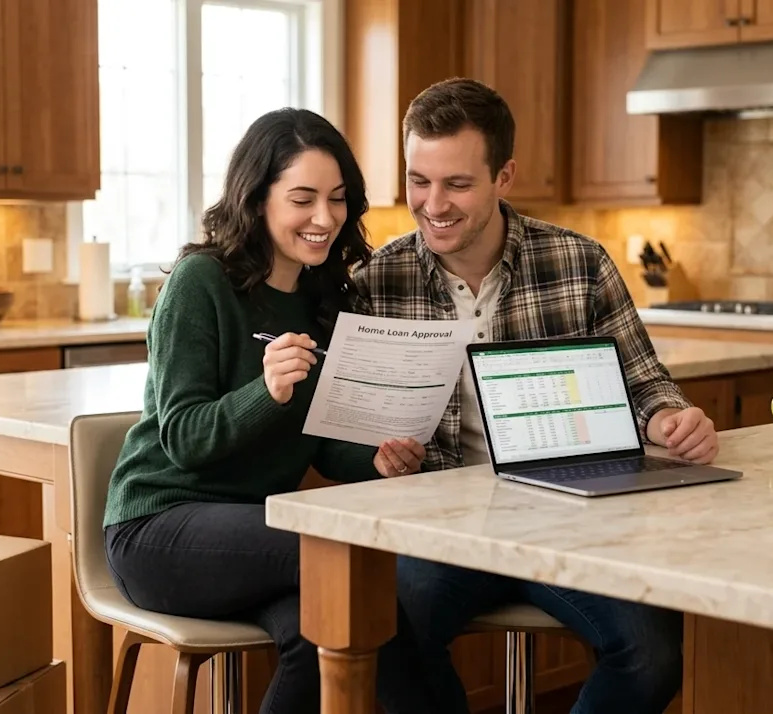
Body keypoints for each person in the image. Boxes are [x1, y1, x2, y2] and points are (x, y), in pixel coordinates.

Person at [352, 78, 720, 714]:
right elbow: (355, 422)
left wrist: (668, 418)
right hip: (439, 530)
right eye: (419, 180)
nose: (432, 203)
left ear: (505, 177)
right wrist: (377, 455)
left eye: (457, 184)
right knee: (380, 631)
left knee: (655, 653)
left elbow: (645, 381)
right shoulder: (376, 280)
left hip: (568, 519)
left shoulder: (579, 263)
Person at [102, 107, 433, 714]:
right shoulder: (201, 282)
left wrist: (378, 461)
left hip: (251, 538)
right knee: (349, 560)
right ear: (257, 200)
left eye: (337, 199)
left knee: (331, 627)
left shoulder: (323, 299)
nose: (324, 218)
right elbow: (182, 438)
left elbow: (323, 445)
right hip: (158, 529)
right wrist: (267, 390)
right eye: (302, 198)